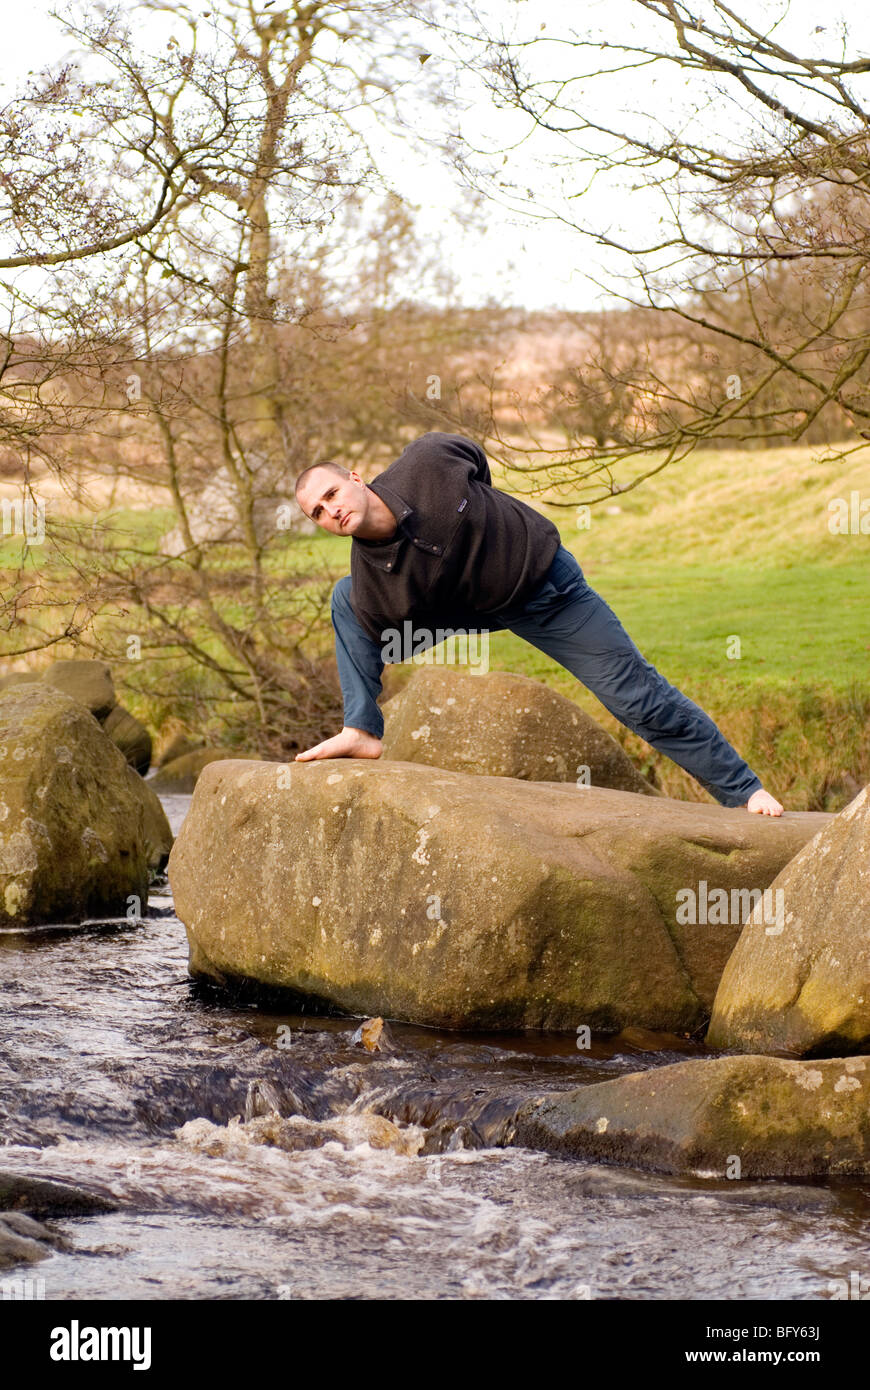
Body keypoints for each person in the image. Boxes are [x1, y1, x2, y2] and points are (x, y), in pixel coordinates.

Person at [293, 432, 782, 814]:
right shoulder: (374, 579)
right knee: (344, 599)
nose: (330, 509)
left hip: (550, 591)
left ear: (356, 478)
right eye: (318, 512)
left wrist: (492, 525)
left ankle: (743, 792)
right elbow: (380, 635)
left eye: (331, 493)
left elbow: (477, 464)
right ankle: (361, 730)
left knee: (637, 700)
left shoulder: (428, 461)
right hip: (478, 610)